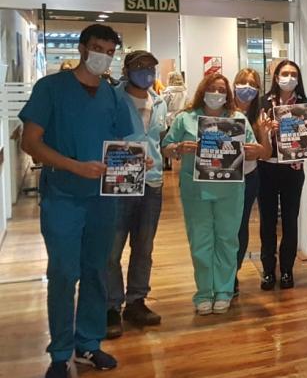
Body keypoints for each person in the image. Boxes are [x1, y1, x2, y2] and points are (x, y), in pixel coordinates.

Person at [19, 24, 134, 378]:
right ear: (82, 49)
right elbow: (30, 142)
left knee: (96, 271)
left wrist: (136, 160)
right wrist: (74, 166)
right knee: (64, 273)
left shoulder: (112, 95)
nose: (104, 57)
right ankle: (60, 352)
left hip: (102, 199)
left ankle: (88, 343)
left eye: (110, 52)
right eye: (98, 48)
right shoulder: (51, 88)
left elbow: (121, 142)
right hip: (64, 196)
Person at [162, 73, 258, 316]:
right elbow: (166, 147)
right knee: (200, 242)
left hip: (230, 189)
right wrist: (178, 148)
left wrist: (253, 149)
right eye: (212, 88)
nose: (217, 94)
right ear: (202, 90)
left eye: (222, 90)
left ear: (228, 94)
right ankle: (204, 292)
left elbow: (253, 149)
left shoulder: (237, 120)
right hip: (196, 190)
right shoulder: (185, 119)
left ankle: (224, 290)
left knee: (227, 240)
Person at [106, 51, 168, 340]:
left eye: (151, 67)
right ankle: (110, 305)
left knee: (144, 247)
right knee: (112, 248)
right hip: (120, 181)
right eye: (139, 67)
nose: (146, 72)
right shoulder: (112, 98)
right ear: (127, 70)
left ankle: (136, 301)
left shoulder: (159, 102)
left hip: (152, 183)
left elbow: (157, 139)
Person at [257, 60, 307, 290]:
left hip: (292, 169)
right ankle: (268, 270)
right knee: (267, 221)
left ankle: (287, 269)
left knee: (290, 220)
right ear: (276, 76)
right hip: (266, 167)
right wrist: (267, 131)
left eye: (293, 74)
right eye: (285, 73)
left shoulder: (305, 105)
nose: (289, 78)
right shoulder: (262, 103)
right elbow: (254, 133)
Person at [232, 68, 273, 295]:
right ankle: (221, 272)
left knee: (240, 226)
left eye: (253, 84)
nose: (247, 88)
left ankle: (233, 273)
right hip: (224, 178)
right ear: (234, 84)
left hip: (248, 177)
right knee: (224, 227)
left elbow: (266, 154)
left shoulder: (260, 115)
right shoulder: (224, 112)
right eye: (243, 82)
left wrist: (264, 136)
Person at [161, 71, 187, 170]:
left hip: (168, 120)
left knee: (166, 142)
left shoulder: (167, 92)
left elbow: (163, 107)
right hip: (181, 120)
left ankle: (167, 162)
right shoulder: (185, 93)